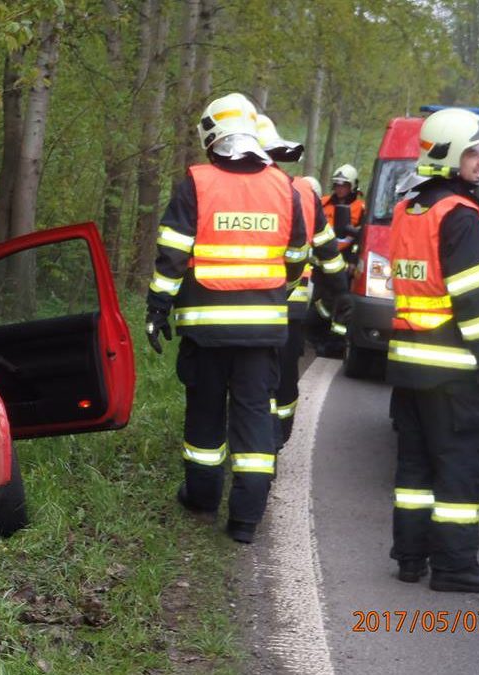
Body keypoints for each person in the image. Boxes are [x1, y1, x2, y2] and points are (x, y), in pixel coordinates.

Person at [145, 93, 308, 543]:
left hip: (206, 329)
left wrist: (157, 308)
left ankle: (201, 497)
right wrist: (275, 295)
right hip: (262, 330)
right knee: (254, 417)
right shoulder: (283, 187)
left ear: (211, 136)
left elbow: (172, 257)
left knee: (205, 412)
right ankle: (245, 520)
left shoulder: (196, 184)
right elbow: (297, 256)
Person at [386, 107, 479, 593]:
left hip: (409, 363)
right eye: (475, 152)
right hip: (453, 367)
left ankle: (410, 558)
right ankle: (455, 567)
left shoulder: (409, 209)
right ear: (453, 154)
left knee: (415, 465)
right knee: (460, 465)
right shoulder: (460, 215)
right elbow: (472, 298)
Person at [254, 115, 349, 448]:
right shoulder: (304, 192)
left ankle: (258, 434)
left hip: (241, 304)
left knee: (251, 377)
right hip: (290, 303)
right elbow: (328, 251)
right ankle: (277, 435)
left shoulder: (229, 190)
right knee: (283, 371)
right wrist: (342, 292)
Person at [307, 163, 367, 357]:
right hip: (320, 264)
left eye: (344, 185)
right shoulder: (323, 203)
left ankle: (336, 344)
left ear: (353, 186)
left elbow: (363, 239)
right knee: (319, 303)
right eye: (337, 184)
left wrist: (353, 260)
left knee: (341, 304)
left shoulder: (361, 209)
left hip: (344, 265)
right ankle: (316, 337)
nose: (340, 188)